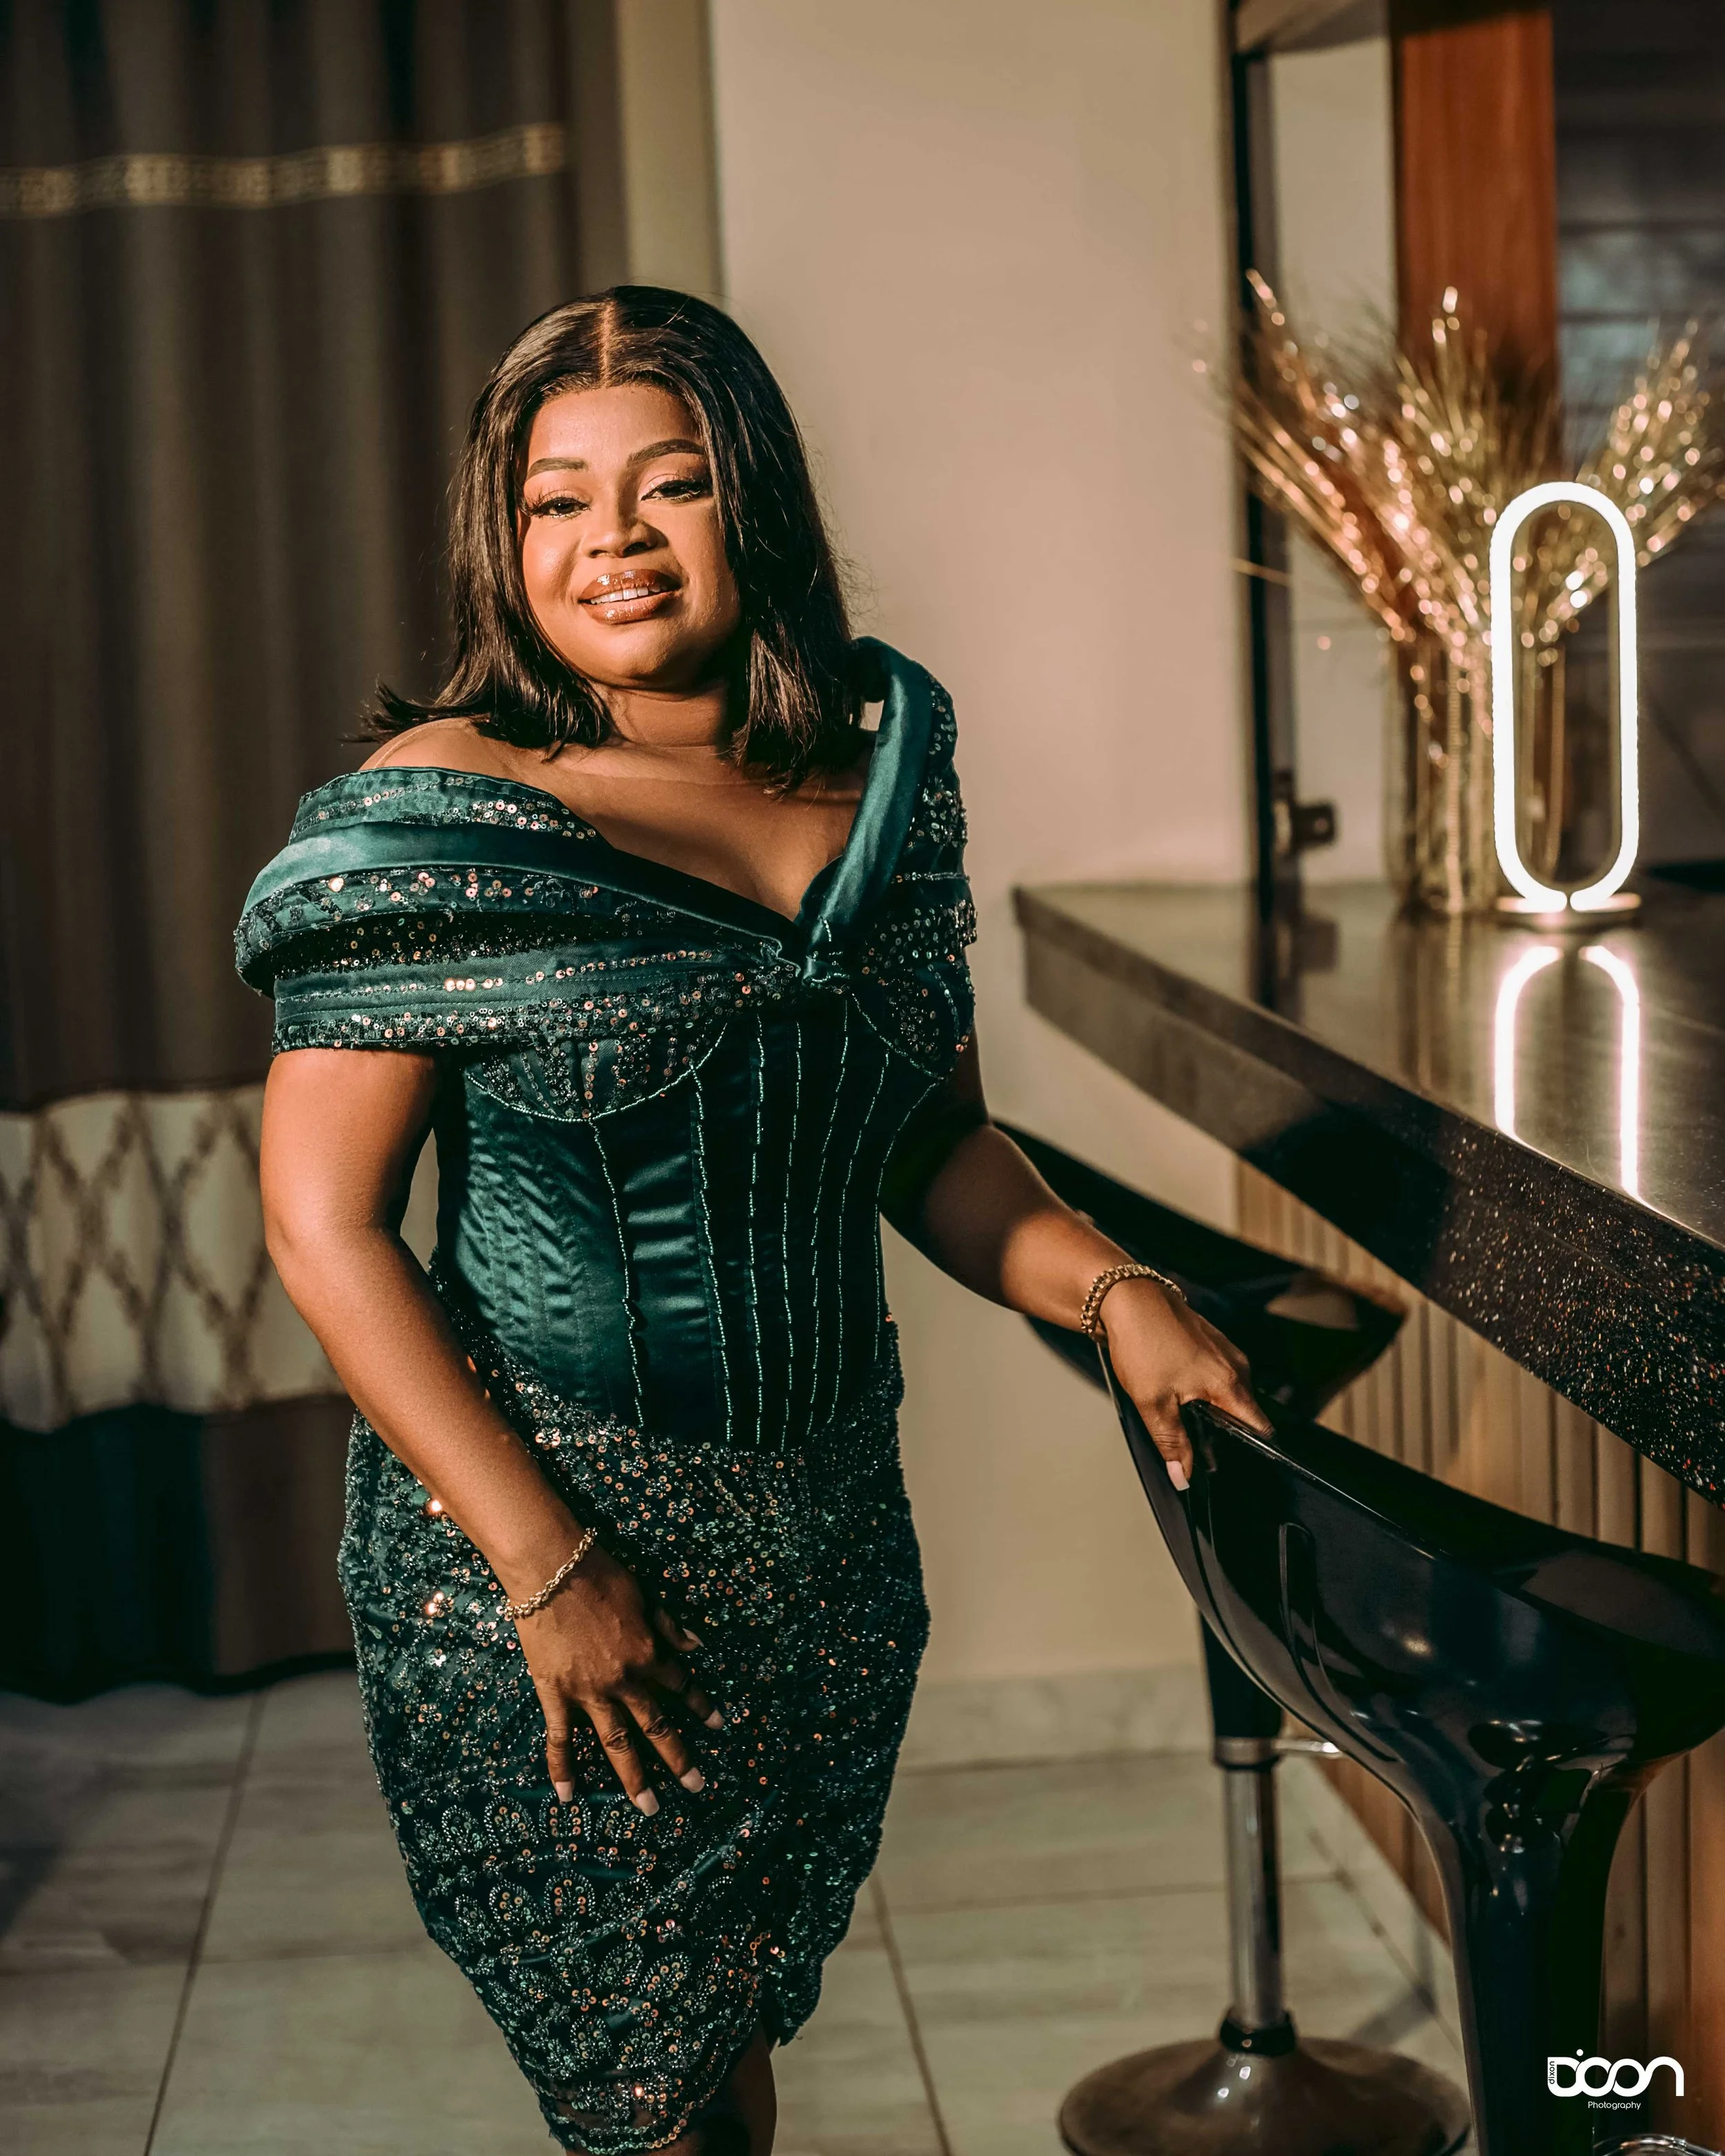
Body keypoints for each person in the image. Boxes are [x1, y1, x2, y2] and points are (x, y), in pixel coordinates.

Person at [237, 286, 1269, 2156]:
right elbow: (324, 1228)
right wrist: (547, 1567)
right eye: (557, 501)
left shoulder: (880, 775)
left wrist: (1115, 1289)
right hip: (529, 1542)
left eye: (672, 482)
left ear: (756, 501)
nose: (614, 540)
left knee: (718, 2059)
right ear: (502, 539)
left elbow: (932, 1148)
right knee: (647, 2090)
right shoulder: (432, 815)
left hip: (822, 1537)